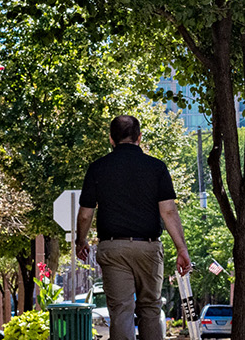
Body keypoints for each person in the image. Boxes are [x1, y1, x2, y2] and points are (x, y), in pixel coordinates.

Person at [74, 115, 192, 340]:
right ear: (139, 137)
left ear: (111, 139)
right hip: (148, 248)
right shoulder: (156, 168)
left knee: (120, 311)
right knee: (150, 308)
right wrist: (181, 248)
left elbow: (85, 214)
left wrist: (81, 241)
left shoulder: (97, 169)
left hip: (113, 248)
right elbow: (168, 211)